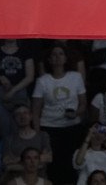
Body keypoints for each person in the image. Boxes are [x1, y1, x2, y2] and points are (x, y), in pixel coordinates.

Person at [32, 45, 87, 185]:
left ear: (66, 58)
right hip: (49, 127)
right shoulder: (42, 81)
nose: (58, 57)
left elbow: (83, 104)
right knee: (53, 164)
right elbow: (36, 110)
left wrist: (75, 114)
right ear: (49, 60)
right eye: (54, 54)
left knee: (72, 162)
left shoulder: (76, 77)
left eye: (61, 53)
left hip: (72, 127)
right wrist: (38, 134)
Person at [0, 40, 35, 139]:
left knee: (20, 126)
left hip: (20, 93)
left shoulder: (25, 51)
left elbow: (30, 77)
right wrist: (0, 78)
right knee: (1, 126)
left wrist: (13, 91)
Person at [2, 105, 52, 178]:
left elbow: (48, 158)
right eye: (18, 114)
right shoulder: (9, 139)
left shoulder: (42, 136)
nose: (22, 116)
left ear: (31, 116)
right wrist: (36, 163)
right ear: (14, 118)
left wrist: (18, 160)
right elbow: (7, 163)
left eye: (25, 113)